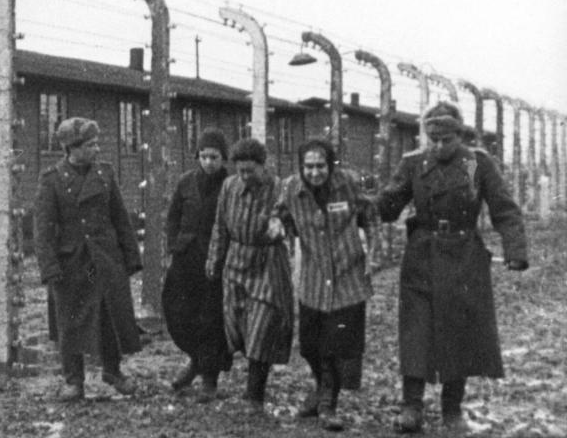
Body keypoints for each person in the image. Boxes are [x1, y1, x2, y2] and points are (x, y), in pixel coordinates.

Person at [376, 101, 529, 434]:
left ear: (459, 136)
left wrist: (515, 248)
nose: (439, 146)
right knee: (416, 330)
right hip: (421, 256)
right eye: (433, 139)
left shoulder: (475, 163)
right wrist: (372, 202)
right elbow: (388, 205)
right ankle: (412, 406)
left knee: (459, 332)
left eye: (446, 139)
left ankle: (451, 408)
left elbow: (502, 206)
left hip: (464, 258)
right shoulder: (414, 164)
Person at [33, 117, 143, 402]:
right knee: (70, 322)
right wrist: (49, 267)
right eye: (91, 145)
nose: (97, 149)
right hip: (71, 265)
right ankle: (73, 381)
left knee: (109, 316)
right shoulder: (52, 180)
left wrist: (131, 257)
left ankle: (113, 372)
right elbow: (42, 230)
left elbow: (120, 218)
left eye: (97, 144)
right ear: (73, 148)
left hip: (105, 261)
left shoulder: (105, 175)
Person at [270, 138, 373, 431]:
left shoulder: (348, 185)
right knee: (309, 345)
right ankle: (320, 389)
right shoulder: (292, 188)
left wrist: (374, 253)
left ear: (330, 165)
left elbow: (371, 215)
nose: (315, 173)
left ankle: (328, 404)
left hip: (346, 275)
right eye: (309, 167)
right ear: (301, 167)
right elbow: (280, 212)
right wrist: (277, 224)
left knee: (334, 345)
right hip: (314, 276)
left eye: (320, 166)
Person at [205, 137, 293, 416]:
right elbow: (220, 226)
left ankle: (254, 395)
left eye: (250, 170)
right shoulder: (229, 187)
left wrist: (280, 227)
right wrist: (214, 260)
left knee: (262, 326)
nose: (244, 176)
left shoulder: (279, 188)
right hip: (236, 263)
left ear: (262, 166)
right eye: (240, 170)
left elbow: (289, 221)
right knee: (237, 325)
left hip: (267, 263)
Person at [162, 129, 233, 401]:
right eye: (203, 156)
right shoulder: (185, 182)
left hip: (215, 262)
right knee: (179, 313)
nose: (208, 162)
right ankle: (195, 361)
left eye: (214, 157)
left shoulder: (230, 184)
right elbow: (173, 217)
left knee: (210, 320)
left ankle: (209, 379)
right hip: (185, 259)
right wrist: (173, 245)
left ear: (223, 158)